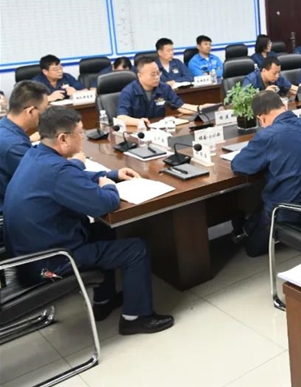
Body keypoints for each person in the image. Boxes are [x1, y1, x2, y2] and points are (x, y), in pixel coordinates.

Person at [3, 107, 173, 334]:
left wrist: (111, 175)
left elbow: (70, 178)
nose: (82, 137)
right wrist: (109, 186)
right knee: (136, 249)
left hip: (31, 253)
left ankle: (103, 301)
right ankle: (135, 318)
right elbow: (104, 203)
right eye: (80, 133)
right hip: (51, 261)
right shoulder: (56, 169)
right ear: (63, 139)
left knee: (104, 231)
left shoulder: (36, 155)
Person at [231, 90, 301, 257]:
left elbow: (239, 165)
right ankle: (246, 227)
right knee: (268, 199)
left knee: (251, 249)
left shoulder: (267, 136)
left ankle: (244, 230)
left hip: (287, 213)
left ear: (261, 118)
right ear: (283, 106)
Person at [0, 81, 49, 214]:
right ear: (31, 111)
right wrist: (76, 162)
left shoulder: (5, 127)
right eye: (44, 110)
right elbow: (45, 179)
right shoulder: (13, 145)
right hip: (15, 210)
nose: (46, 115)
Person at [117, 56, 207, 126]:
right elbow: (121, 117)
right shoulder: (128, 92)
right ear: (140, 76)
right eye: (153, 74)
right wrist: (138, 122)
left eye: (158, 73)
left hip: (159, 130)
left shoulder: (164, 88)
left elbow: (181, 106)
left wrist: (201, 108)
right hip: (138, 131)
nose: (157, 77)